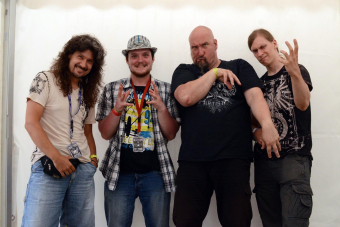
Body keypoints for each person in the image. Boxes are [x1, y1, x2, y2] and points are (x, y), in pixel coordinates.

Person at [170, 25, 280, 227]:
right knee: (184, 221)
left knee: (237, 221)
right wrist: (214, 74)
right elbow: (185, 97)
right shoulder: (184, 71)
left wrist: (267, 124)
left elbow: (255, 96)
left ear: (215, 44)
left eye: (205, 45)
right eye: (194, 47)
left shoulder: (239, 66)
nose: (200, 52)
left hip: (233, 161)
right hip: (193, 162)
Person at [22, 34, 106, 227]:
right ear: (68, 55)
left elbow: (87, 132)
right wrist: (56, 158)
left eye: (89, 61)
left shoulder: (89, 91)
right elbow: (31, 123)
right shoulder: (45, 79)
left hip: (82, 170)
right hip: (49, 166)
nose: (84, 64)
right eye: (80, 57)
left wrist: (92, 160)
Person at [96, 35, 180, 227]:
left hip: (155, 175)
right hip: (119, 174)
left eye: (145, 55)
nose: (140, 60)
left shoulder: (165, 90)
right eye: (134, 56)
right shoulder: (112, 89)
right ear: (127, 60)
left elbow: (171, 134)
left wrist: (161, 108)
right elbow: (105, 134)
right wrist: (117, 109)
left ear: (152, 58)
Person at [248, 28, 313, 227]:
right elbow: (252, 122)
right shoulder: (258, 84)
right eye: (255, 51)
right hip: (264, 163)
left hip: (294, 160)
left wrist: (294, 75)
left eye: (262, 47)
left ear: (274, 43)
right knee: (270, 223)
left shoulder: (297, 70)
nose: (260, 54)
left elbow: (303, 104)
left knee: (294, 222)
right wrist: (255, 132)